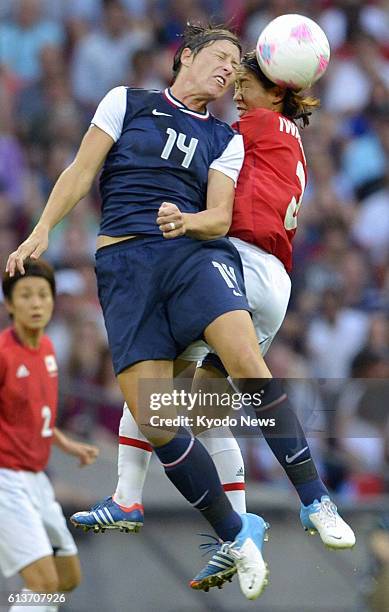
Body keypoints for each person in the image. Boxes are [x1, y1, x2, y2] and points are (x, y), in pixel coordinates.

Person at [4, 24, 347, 601]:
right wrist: (43, 229)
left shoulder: (228, 138)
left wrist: (188, 224)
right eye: (219, 59)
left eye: (236, 65)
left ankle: (315, 498)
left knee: (241, 364)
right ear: (185, 57)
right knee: (164, 416)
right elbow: (81, 172)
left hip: (194, 258)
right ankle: (236, 533)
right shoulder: (126, 102)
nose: (228, 72)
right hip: (126, 272)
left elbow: (217, 217)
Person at [0, 258, 99, 612]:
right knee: (43, 583)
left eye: (43, 295)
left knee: (66, 579)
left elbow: (36, 418)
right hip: (6, 481)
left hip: (36, 479)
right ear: (10, 305)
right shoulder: (3, 354)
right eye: (26, 295)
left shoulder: (47, 352)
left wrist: (70, 445)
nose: (36, 303)